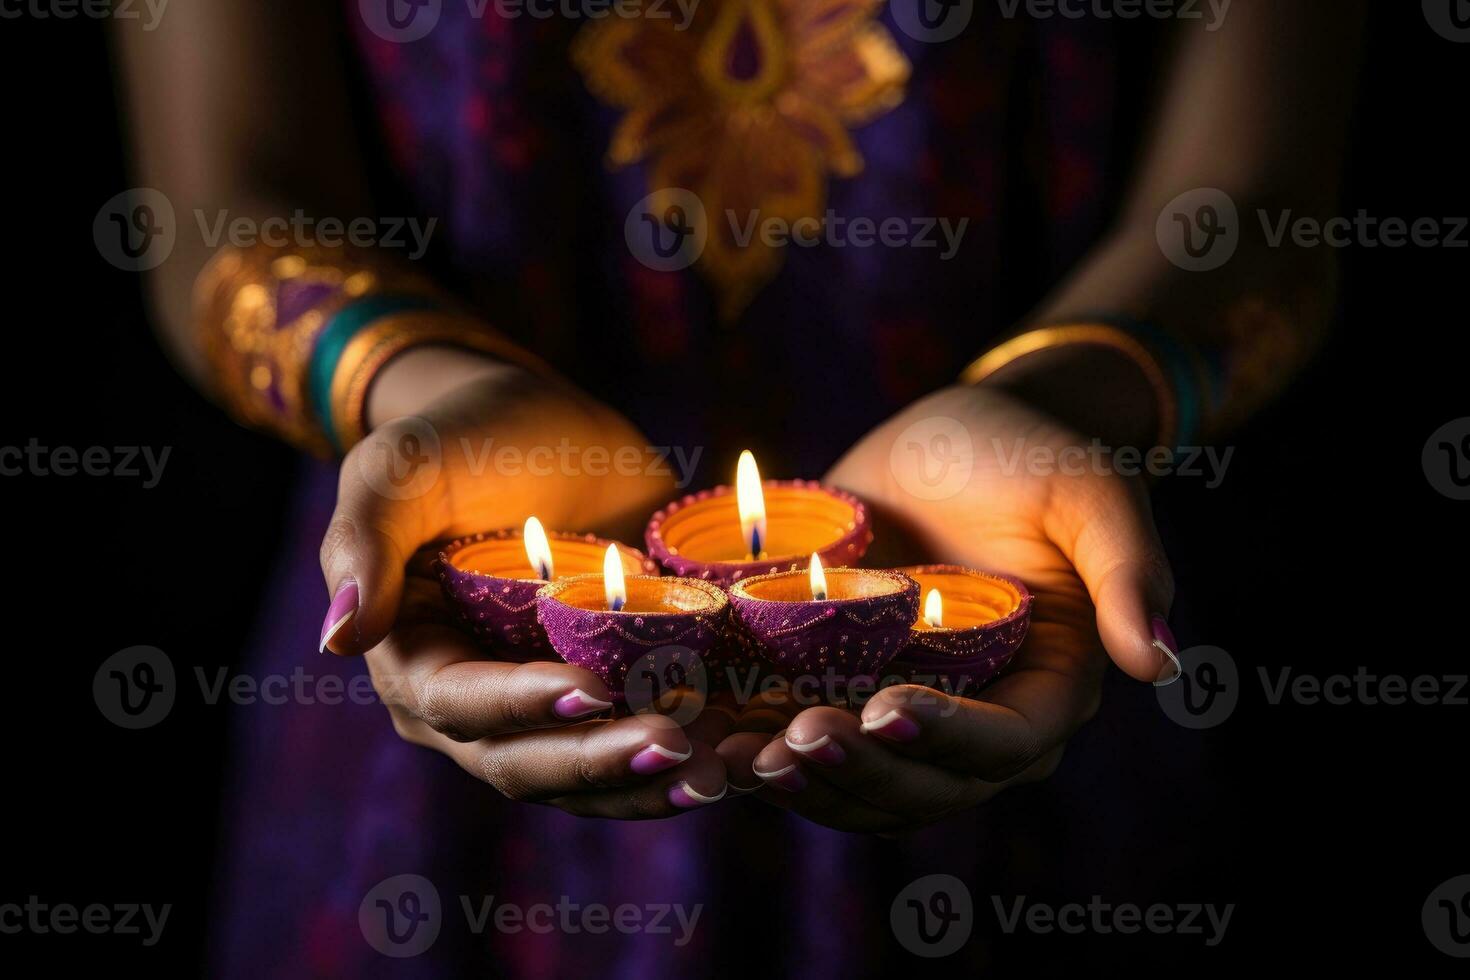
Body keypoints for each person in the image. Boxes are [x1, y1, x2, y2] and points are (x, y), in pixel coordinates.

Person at [116, 0, 1362, 973]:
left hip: (1016, 613)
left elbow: (1257, 208)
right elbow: (216, 199)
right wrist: (412, 390)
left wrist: (1065, 404)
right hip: (452, 652)